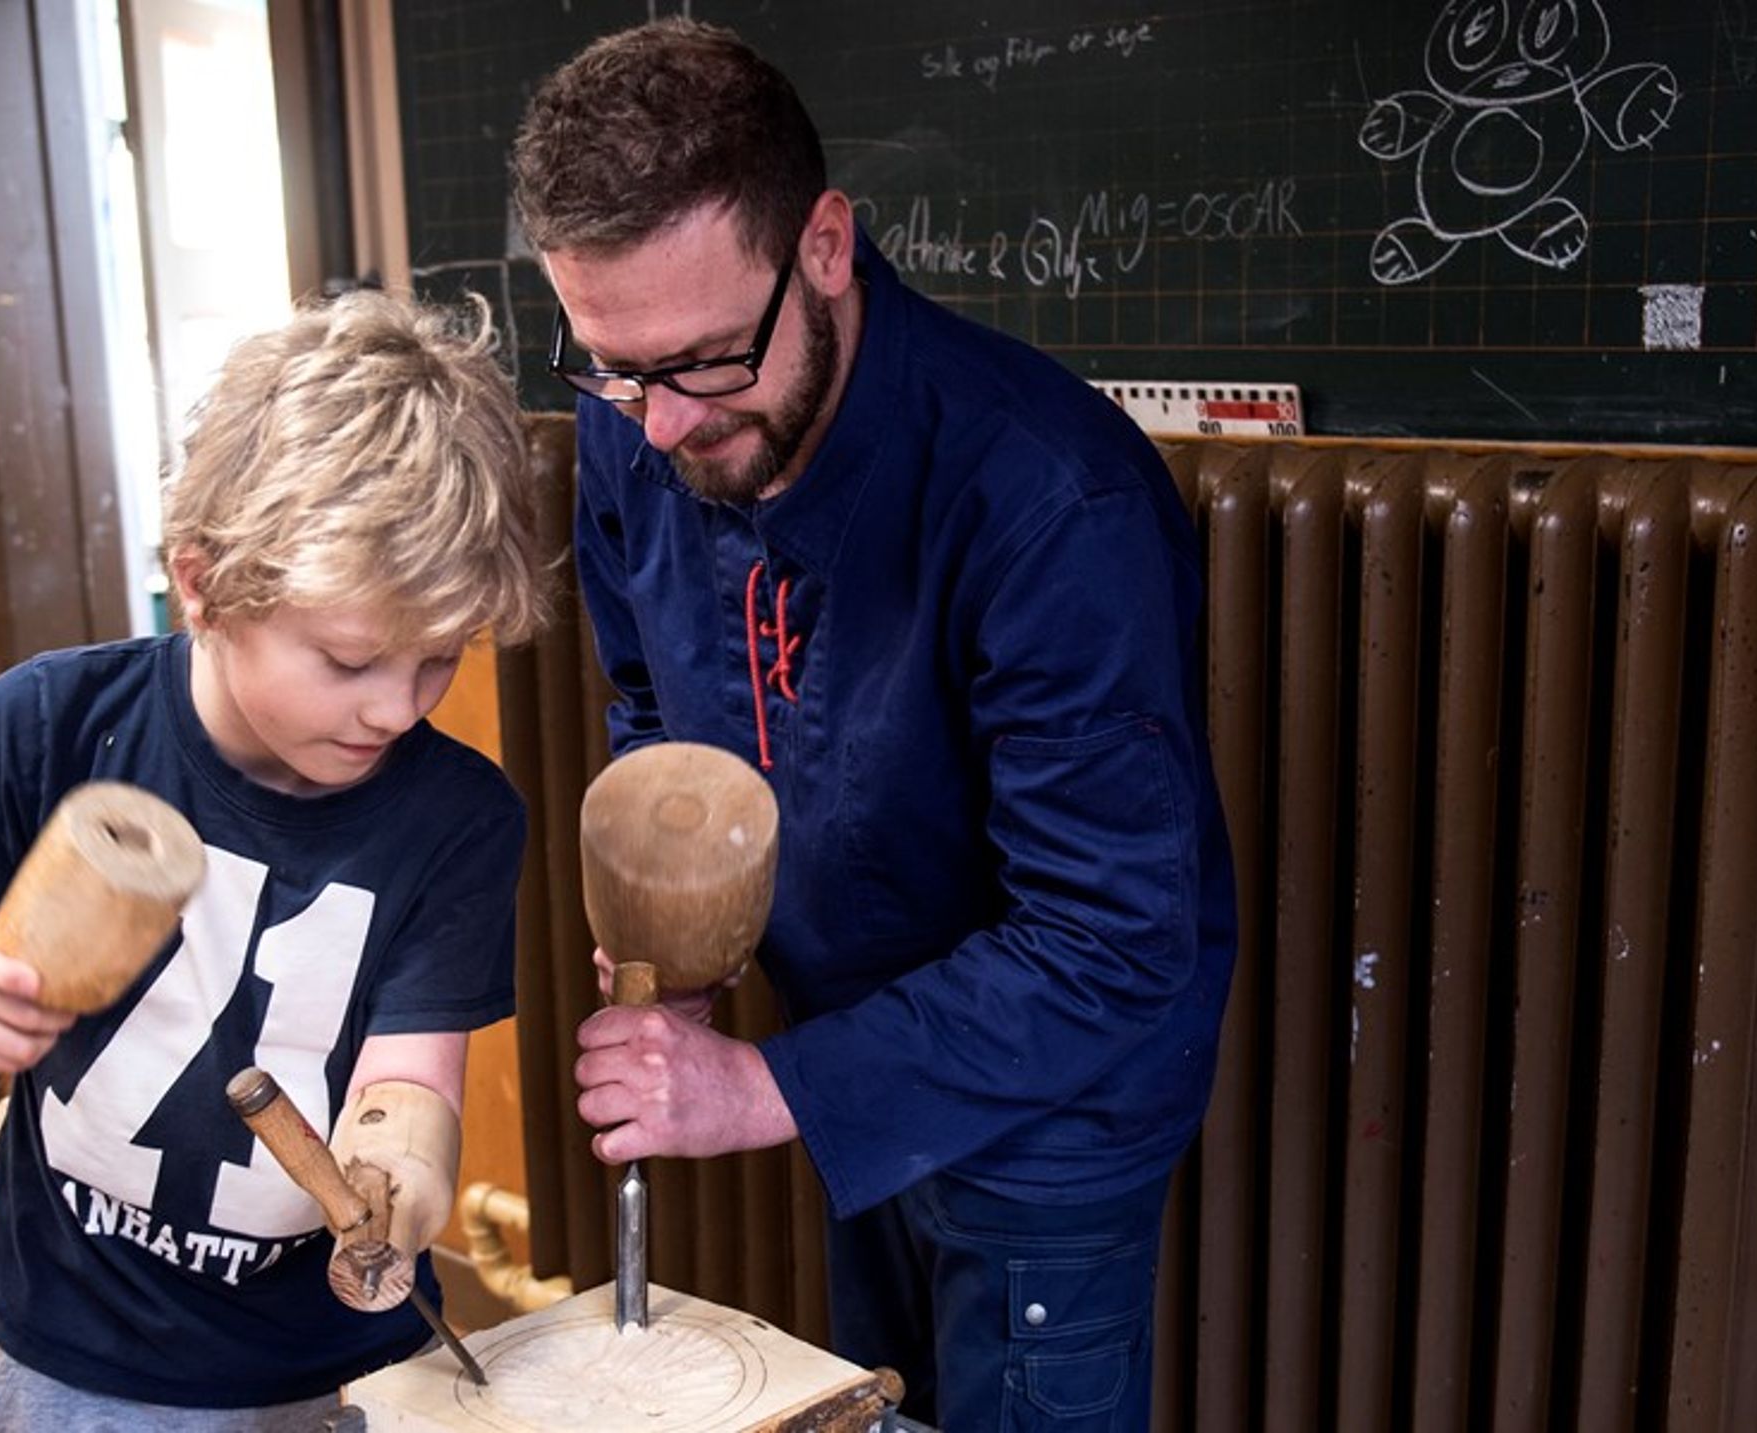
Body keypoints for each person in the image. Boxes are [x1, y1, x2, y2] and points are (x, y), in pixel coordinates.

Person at [511, 20, 1237, 1430]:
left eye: (706, 363)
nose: (656, 430)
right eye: (611, 366)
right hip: (843, 1041)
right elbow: (657, 703)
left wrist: (769, 1085)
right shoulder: (643, 416)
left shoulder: (1047, 502)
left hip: (1054, 1101)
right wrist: (686, 917)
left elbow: (1108, 940)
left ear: (827, 247)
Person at [0, 290, 546, 1428]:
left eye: (439, 656)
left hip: (344, 1362)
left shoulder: (457, 816)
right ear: (203, 581)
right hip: (82, 1365)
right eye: (348, 657)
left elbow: (405, 1083)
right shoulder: (49, 728)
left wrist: (404, 1181)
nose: (395, 706)